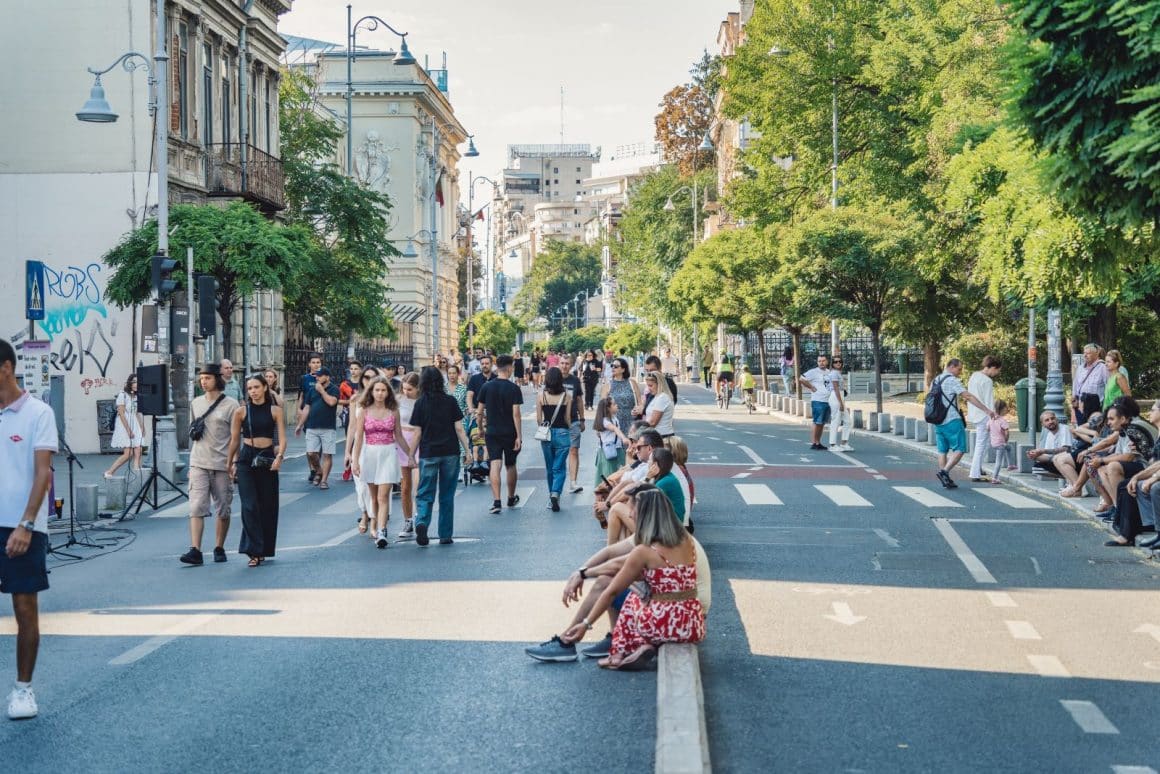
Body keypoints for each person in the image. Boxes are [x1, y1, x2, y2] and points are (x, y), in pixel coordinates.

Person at [561, 489, 705, 670]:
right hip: (692, 621)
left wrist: (586, 624)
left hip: (664, 624)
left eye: (633, 510)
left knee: (632, 601)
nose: (630, 514)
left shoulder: (644, 552)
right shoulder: (686, 540)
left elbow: (612, 591)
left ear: (644, 515)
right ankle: (641, 646)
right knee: (641, 595)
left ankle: (620, 652)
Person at [0, 338, 57, 720]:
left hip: (21, 527)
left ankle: (23, 690)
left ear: (5, 367)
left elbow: (43, 473)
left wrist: (26, 523)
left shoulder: (38, 412)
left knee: (24, 608)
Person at [181, 363, 240, 566]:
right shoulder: (195, 403)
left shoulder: (232, 405)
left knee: (223, 508)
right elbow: (193, 433)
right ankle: (195, 550)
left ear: (218, 379)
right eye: (201, 378)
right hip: (199, 462)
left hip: (222, 464)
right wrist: (190, 465)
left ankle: (219, 547)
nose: (203, 381)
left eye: (207, 378)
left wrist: (234, 462)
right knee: (196, 507)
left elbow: (235, 437)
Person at [225, 374, 286, 567]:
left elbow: (282, 439)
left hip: (267, 458)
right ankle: (253, 550)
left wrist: (279, 458)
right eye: (250, 388)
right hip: (246, 459)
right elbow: (234, 440)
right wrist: (230, 463)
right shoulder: (241, 412)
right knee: (249, 506)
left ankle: (264, 549)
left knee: (267, 506)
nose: (253, 391)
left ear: (265, 388)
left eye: (256, 387)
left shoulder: (275, 410)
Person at [410, 366, 470, 546]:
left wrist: (411, 455)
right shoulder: (450, 401)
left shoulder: (420, 403)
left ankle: (421, 521)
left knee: (425, 492)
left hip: (428, 453)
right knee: (447, 494)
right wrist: (467, 451)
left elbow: (417, 433)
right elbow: (459, 428)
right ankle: (445, 534)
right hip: (450, 452)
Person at [352, 376, 413, 549]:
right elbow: (358, 438)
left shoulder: (393, 410)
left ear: (388, 393)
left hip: (387, 453)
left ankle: (382, 531)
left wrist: (410, 456)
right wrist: (355, 461)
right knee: (373, 497)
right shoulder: (364, 410)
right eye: (377, 390)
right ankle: (377, 524)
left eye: (383, 390)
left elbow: (399, 436)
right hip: (370, 454)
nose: (380, 393)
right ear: (371, 391)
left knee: (382, 495)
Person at [1088, 397, 1154, 523]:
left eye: (1111, 419)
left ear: (1123, 417)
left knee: (1112, 466)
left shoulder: (1133, 428)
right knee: (1102, 468)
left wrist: (1101, 459)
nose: (1108, 423)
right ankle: (1117, 507)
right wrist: (1100, 460)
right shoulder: (1125, 429)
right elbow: (1119, 453)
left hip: (1148, 466)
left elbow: (1129, 456)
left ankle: (1123, 512)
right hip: (1140, 465)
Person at [477, 355, 525, 514]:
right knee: (510, 465)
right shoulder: (514, 388)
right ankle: (511, 497)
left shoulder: (486, 387)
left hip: (492, 431)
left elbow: (479, 412)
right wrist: (519, 436)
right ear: (510, 367)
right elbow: (516, 414)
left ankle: (497, 501)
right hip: (509, 432)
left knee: (495, 464)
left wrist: (480, 429)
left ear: (496, 367)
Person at [1111, 400, 1160, 548]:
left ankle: (1131, 532)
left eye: (1153, 410)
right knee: (1127, 485)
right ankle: (1125, 529)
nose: (1150, 413)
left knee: (1154, 487)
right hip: (1155, 471)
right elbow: (1154, 461)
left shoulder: (1135, 428)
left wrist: (1153, 478)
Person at [343, 366, 380, 536]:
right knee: (361, 485)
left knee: (376, 484)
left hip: (378, 445)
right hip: (360, 444)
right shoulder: (356, 399)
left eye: (373, 377)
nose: (369, 381)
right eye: (366, 377)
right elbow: (351, 426)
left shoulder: (382, 398)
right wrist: (347, 452)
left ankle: (374, 518)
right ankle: (365, 513)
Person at [296, 366, 340, 490]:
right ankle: (319, 471)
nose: (317, 377)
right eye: (316, 376)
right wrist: (300, 424)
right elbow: (307, 408)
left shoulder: (334, 389)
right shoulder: (311, 390)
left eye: (320, 375)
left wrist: (322, 391)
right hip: (311, 426)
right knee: (311, 453)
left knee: (327, 454)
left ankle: (324, 480)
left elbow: (332, 402)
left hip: (328, 427)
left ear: (327, 377)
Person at [538, 367, 573, 512]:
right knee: (559, 467)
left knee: (550, 467)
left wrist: (544, 427)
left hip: (547, 434)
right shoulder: (567, 396)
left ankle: (551, 496)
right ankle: (555, 494)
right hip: (563, 432)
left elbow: (539, 419)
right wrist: (569, 429)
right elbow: (568, 418)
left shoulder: (541, 396)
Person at [966, 356, 1002, 482]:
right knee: (982, 444)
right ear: (993, 367)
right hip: (984, 415)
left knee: (982, 443)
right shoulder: (987, 381)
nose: (997, 373)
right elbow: (989, 401)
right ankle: (975, 473)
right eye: (997, 370)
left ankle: (978, 468)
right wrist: (994, 416)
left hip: (974, 414)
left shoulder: (974, 376)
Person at [395, 373, 421, 539]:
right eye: (404, 388)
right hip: (402, 441)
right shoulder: (398, 400)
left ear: (418, 388)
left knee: (419, 487)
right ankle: (408, 520)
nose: (406, 392)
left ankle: (420, 518)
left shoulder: (423, 401)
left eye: (410, 389)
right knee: (405, 487)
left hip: (419, 441)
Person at [104, 373, 144, 479]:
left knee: (138, 450)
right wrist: (128, 430)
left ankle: (137, 476)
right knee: (128, 453)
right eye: (134, 382)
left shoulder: (136, 396)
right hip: (124, 424)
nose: (136, 384)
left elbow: (136, 413)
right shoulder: (123, 394)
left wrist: (141, 426)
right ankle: (109, 472)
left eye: (138, 382)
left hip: (134, 423)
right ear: (130, 383)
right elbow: (121, 413)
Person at [559, 355, 587, 494]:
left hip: (574, 421)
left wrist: (582, 419)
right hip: (557, 422)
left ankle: (573, 482)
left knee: (573, 450)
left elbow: (579, 400)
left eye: (567, 363)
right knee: (559, 453)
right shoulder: (553, 379)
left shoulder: (575, 380)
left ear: (571, 365)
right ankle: (557, 484)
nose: (564, 366)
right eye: (562, 363)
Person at [296, 353, 323, 483]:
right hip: (307, 414)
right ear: (309, 364)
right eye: (313, 362)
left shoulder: (325, 378)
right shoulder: (304, 378)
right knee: (310, 444)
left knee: (320, 444)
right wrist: (298, 410)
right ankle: (312, 469)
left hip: (321, 413)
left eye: (318, 362)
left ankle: (318, 467)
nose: (316, 365)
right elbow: (300, 395)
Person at [798, 354, 834, 450]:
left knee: (822, 423)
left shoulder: (829, 372)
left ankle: (818, 442)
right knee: (817, 422)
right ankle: (814, 442)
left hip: (827, 400)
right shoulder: (813, 372)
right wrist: (811, 387)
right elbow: (801, 379)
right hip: (818, 400)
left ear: (827, 361)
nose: (821, 363)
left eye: (823, 361)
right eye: (819, 361)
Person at [594, 394, 630, 488]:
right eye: (614, 404)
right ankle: (608, 492)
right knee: (610, 472)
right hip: (609, 450)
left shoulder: (614, 418)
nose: (617, 405)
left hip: (616, 448)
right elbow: (614, 429)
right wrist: (623, 438)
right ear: (608, 408)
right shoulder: (605, 421)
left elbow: (598, 433)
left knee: (619, 470)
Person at [602, 357, 640, 443]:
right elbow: (602, 407)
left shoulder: (632, 383)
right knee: (616, 450)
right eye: (612, 366)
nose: (613, 368)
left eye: (616, 366)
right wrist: (600, 426)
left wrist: (638, 409)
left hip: (631, 422)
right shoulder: (608, 385)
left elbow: (640, 403)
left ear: (623, 369)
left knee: (630, 449)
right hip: (614, 423)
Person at [1026, 411, 1074, 475]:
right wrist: (1035, 455)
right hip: (1056, 460)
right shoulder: (1049, 435)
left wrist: (1043, 451)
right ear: (1043, 424)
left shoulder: (1064, 428)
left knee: (1040, 467)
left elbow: (1066, 449)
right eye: (1047, 420)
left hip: (1070, 460)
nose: (1050, 421)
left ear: (1056, 419)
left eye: (1052, 418)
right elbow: (1048, 457)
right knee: (1037, 465)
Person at [1071, 344, 1107, 425]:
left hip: (1095, 406)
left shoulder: (1102, 367)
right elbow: (1075, 386)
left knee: (1091, 428)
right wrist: (1074, 401)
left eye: (1088, 353)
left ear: (1096, 354)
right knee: (1080, 428)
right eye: (1084, 353)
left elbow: (1107, 386)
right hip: (1080, 405)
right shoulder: (1080, 368)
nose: (1085, 355)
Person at [826, 358, 852, 451]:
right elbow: (835, 388)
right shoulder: (834, 373)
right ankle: (832, 444)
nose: (838, 363)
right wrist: (841, 403)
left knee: (848, 421)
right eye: (835, 362)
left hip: (840, 396)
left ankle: (844, 443)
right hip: (835, 397)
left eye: (840, 361)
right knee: (836, 420)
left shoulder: (838, 373)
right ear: (832, 364)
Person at [641, 373, 675, 439]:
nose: (648, 388)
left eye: (650, 385)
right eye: (647, 386)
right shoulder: (657, 396)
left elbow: (653, 422)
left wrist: (638, 432)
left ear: (659, 384)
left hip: (662, 435)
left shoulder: (663, 397)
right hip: (657, 434)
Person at [986, 399, 1011, 484]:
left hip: (994, 443)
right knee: (998, 461)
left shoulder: (991, 419)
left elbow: (987, 429)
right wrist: (1006, 439)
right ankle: (994, 478)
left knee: (1009, 448)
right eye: (1006, 409)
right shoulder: (1002, 420)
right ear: (1002, 409)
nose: (1006, 410)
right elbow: (1007, 432)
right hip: (1000, 443)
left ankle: (1010, 465)